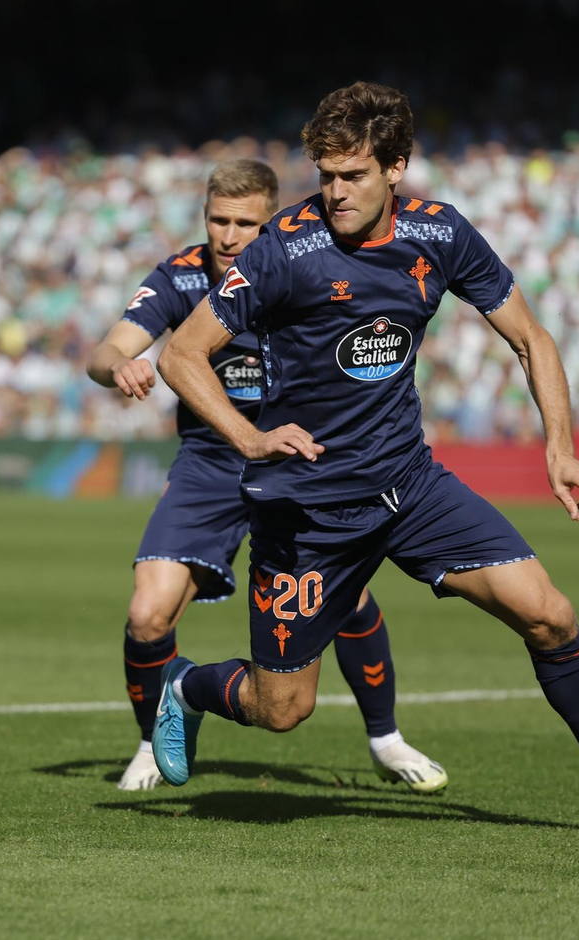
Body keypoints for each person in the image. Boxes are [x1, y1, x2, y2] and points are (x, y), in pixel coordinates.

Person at [154, 82, 579, 836]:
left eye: (352, 175)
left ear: (397, 167)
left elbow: (531, 337)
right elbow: (183, 355)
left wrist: (562, 450)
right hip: (306, 512)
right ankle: (188, 688)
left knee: (547, 614)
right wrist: (251, 439)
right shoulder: (284, 248)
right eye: (324, 174)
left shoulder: (441, 233)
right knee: (280, 709)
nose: (334, 191)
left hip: (409, 488)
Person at [85, 159, 444, 793]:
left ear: (272, 220)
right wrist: (118, 365)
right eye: (218, 221)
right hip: (210, 463)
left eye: (245, 223)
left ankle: (386, 739)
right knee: (147, 616)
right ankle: (152, 738)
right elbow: (106, 349)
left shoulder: (305, 263)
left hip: (297, 460)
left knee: (349, 598)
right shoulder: (180, 276)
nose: (228, 236)